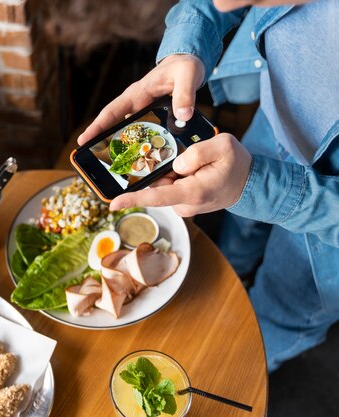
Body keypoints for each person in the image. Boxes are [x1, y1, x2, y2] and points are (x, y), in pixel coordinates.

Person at [78, 0, 338, 372]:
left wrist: (258, 187)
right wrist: (185, 48)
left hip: (328, 224)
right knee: (239, 232)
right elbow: (209, 6)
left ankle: (236, 366)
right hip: (276, 117)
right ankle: (234, 275)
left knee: (284, 312)